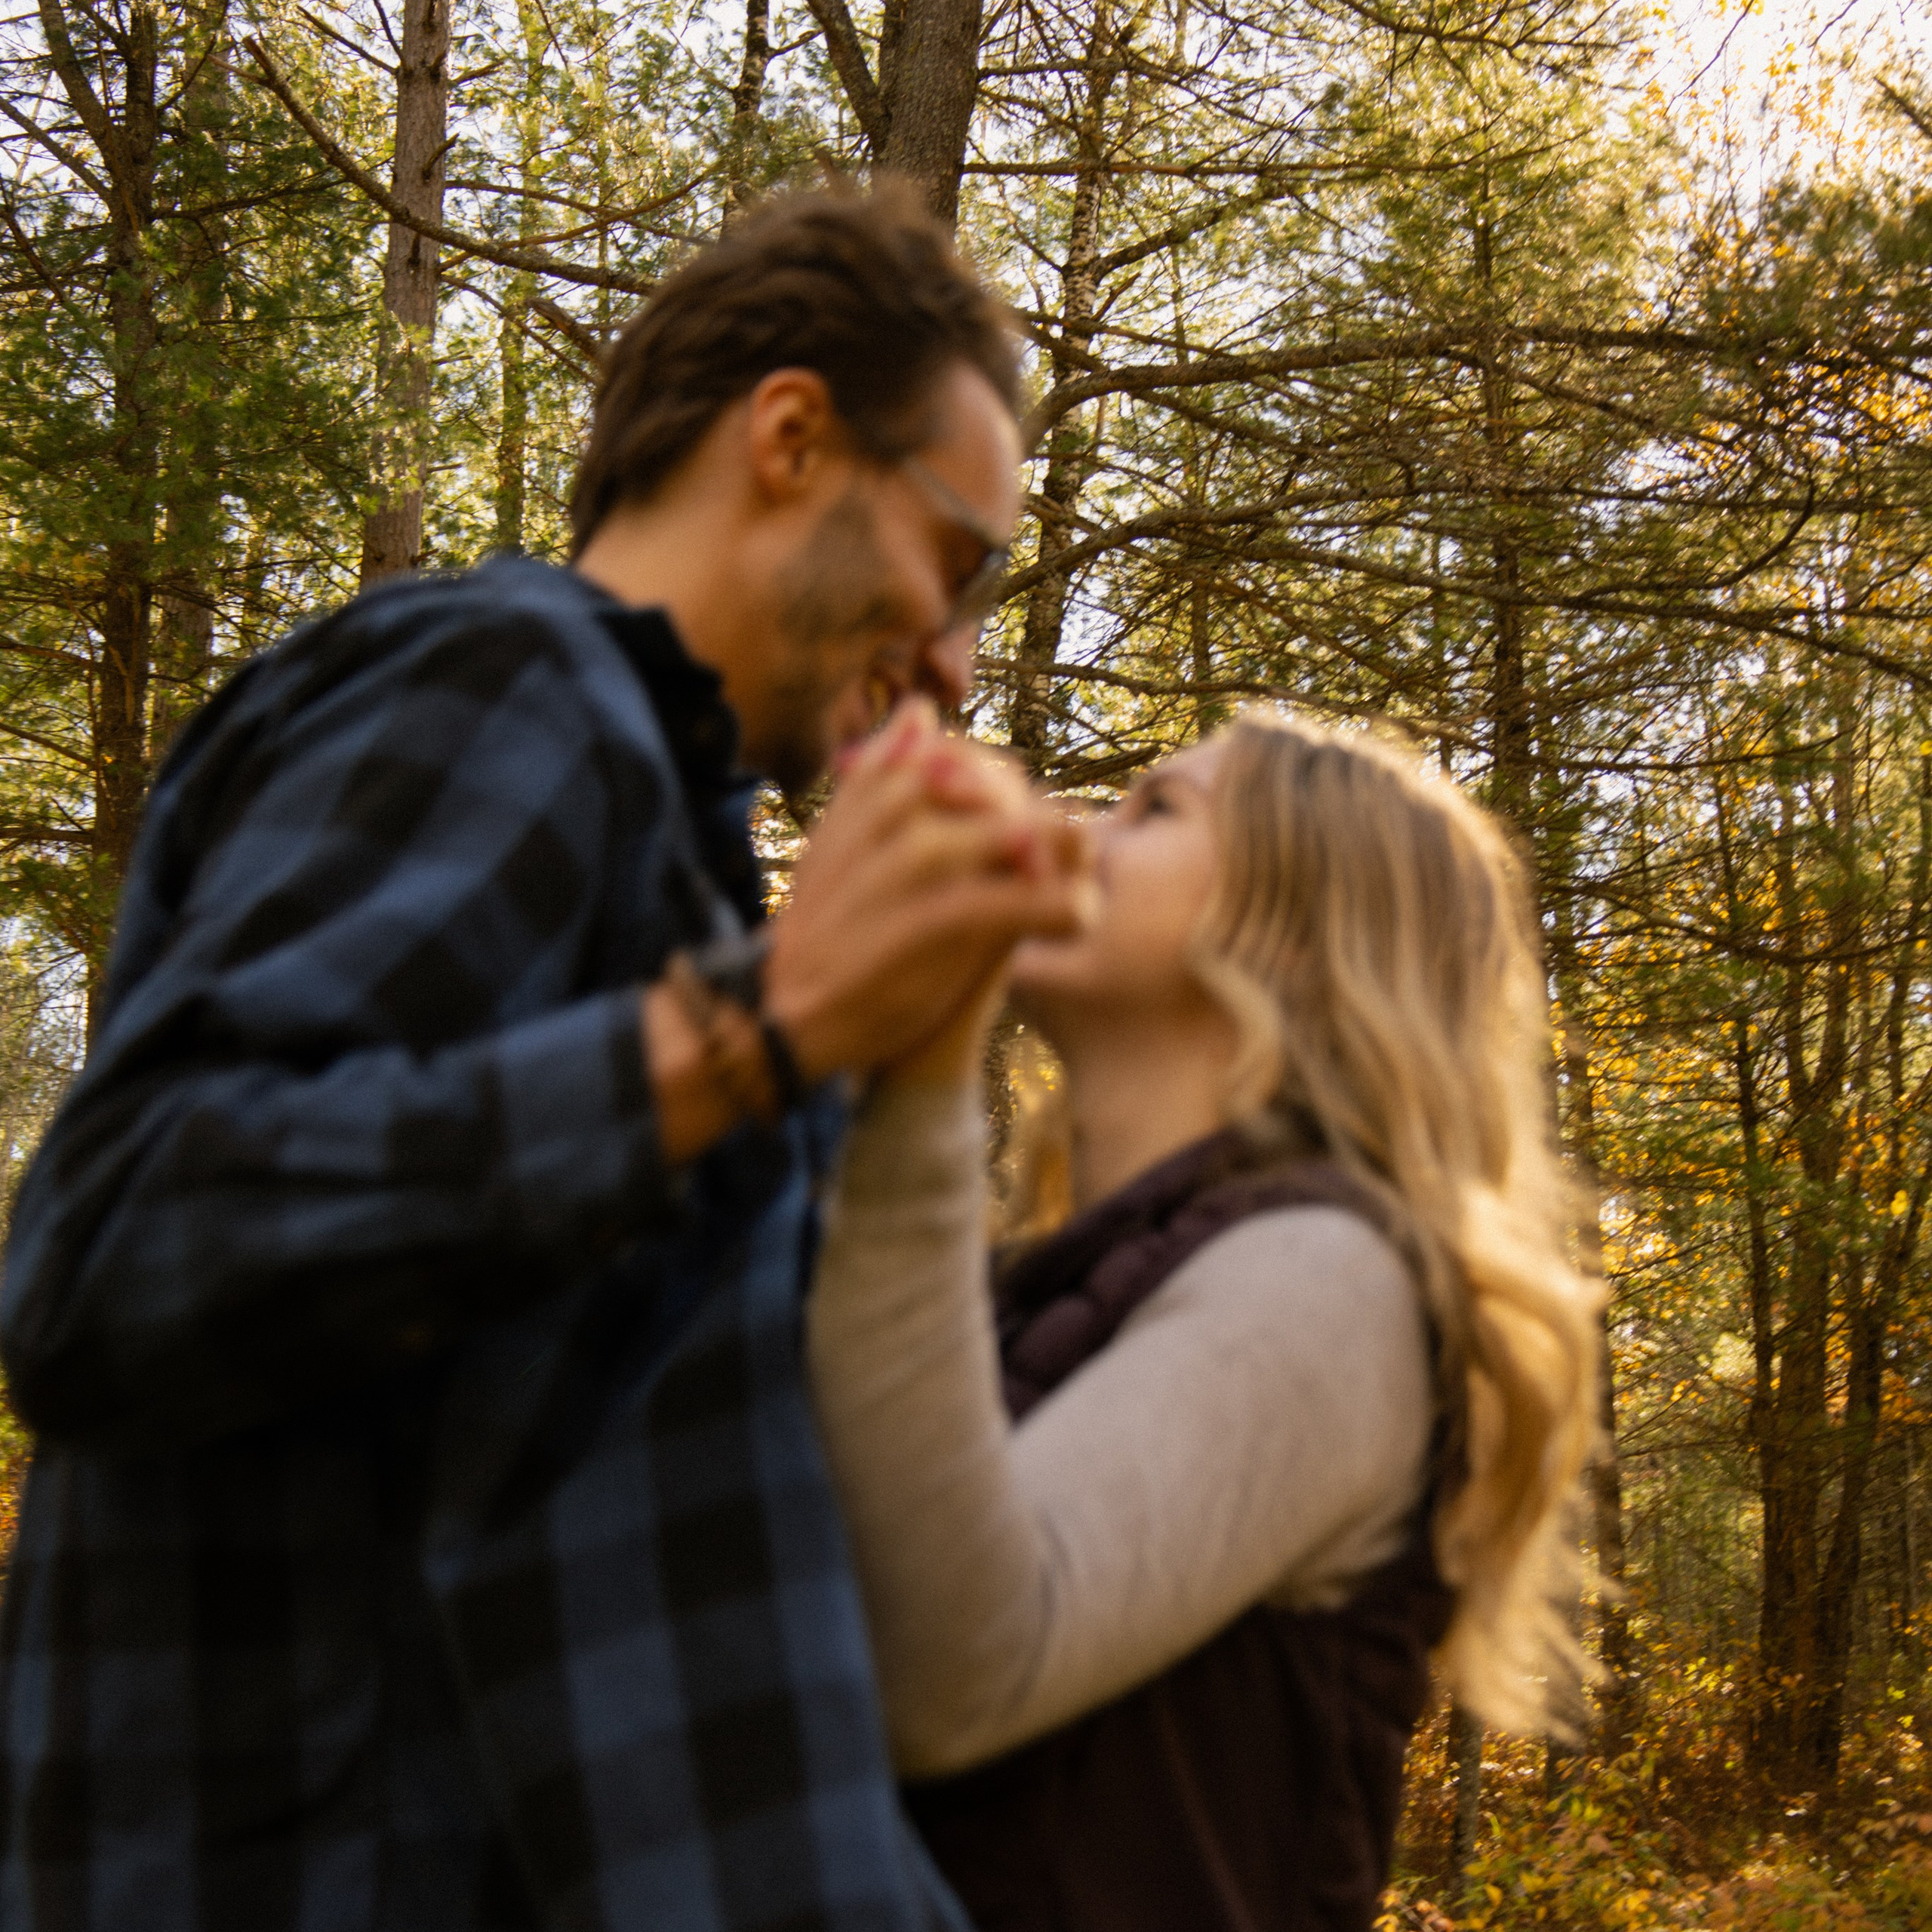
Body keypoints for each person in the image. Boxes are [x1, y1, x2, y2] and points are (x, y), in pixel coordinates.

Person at [0, 187, 1089, 1931]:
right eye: (953, 558)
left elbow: (639, 1582)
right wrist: (765, 1027)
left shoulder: (667, 838)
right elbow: (115, 1244)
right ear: (791, 436)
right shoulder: (510, 687)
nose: (955, 660)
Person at [805, 712, 1604, 1932]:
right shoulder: (1058, 1277)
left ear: (1292, 932)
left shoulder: (1334, 1281)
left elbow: (951, 1668)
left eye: (1154, 810)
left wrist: (917, 1072)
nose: (1075, 832)